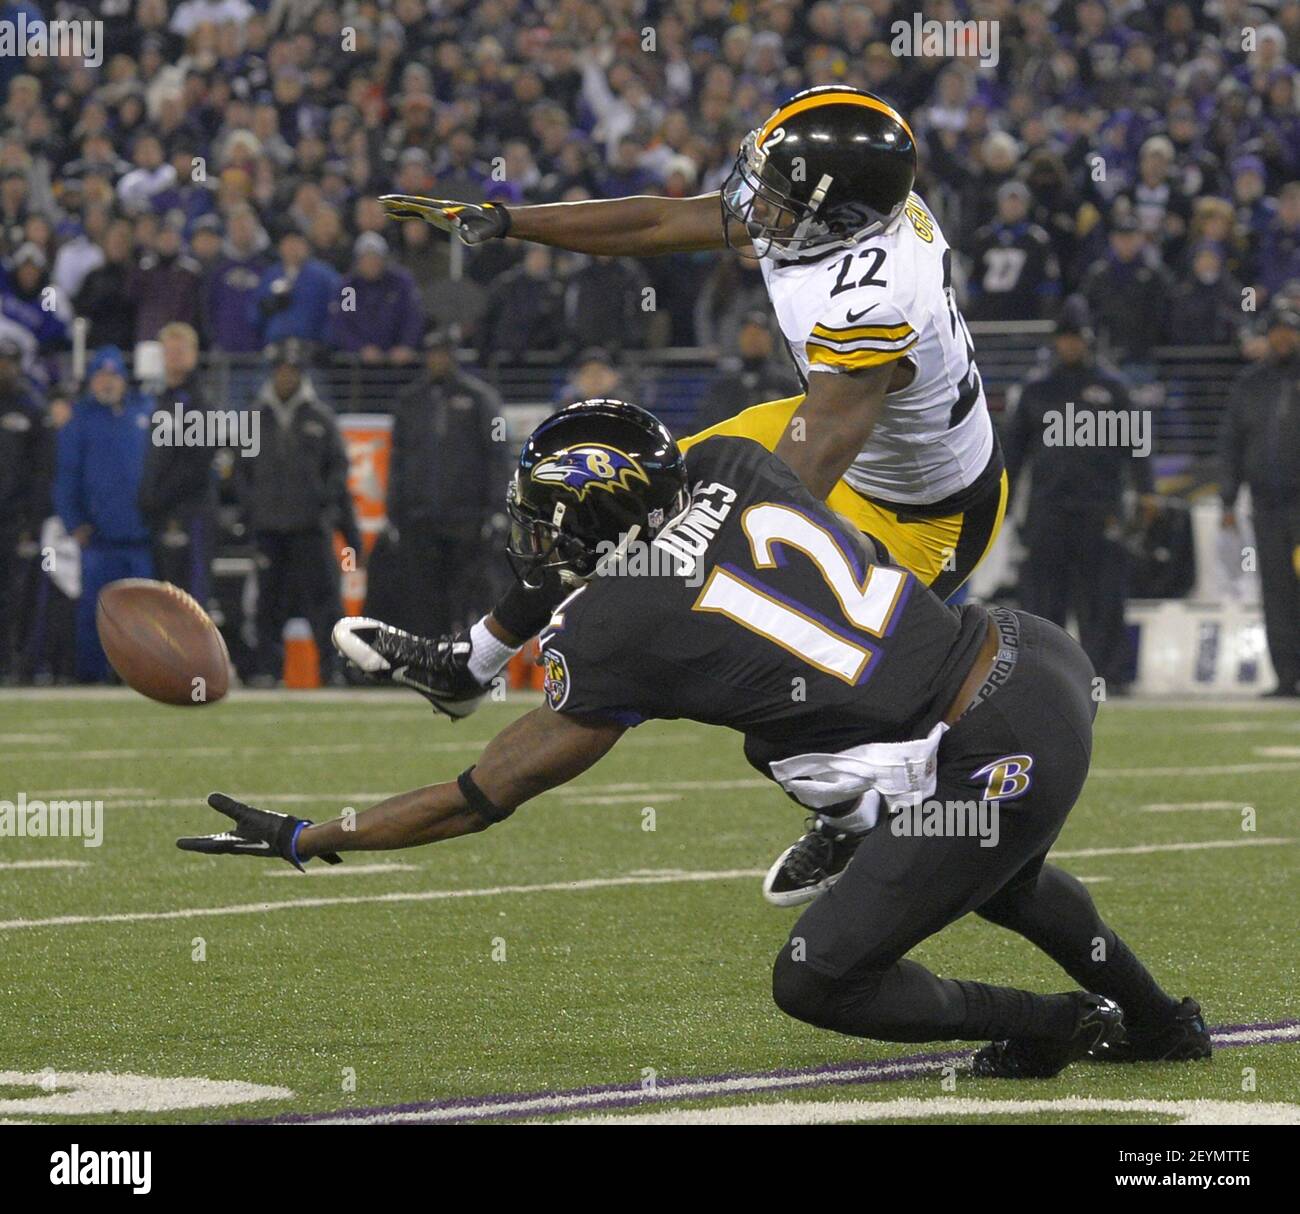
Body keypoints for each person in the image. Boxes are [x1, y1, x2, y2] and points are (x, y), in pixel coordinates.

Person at [179, 399, 1210, 1076]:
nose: (536, 545)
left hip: (984, 754)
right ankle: (1161, 1022)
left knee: (815, 975)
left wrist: (313, 835)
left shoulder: (614, 632)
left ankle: (1050, 1023)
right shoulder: (729, 461)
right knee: (988, 866)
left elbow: (479, 792)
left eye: (547, 524)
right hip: (1032, 659)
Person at [381, 86, 1007, 604]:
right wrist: (511, 221)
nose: (753, 203)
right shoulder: (835, 218)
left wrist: (693, 559)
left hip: (919, 512)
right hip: (843, 438)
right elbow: (657, 221)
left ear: (837, 219)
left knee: (760, 652)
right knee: (622, 494)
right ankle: (476, 659)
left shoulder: (872, 302)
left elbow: (804, 473)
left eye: (777, 195)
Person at [1004, 311, 1156, 693]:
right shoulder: (1036, 391)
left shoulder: (1114, 389)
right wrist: (1001, 503)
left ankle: (1107, 676)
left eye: (1077, 337)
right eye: (1065, 337)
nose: (1071, 344)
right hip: (1048, 508)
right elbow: (1013, 454)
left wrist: (1146, 490)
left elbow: (1138, 446)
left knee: (1103, 596)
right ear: (1056, 341)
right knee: (1043, 599)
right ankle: (1044, 678)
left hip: (1100, 509)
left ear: (1088, 341)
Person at [236, 339, 359, 686]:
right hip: (269, 528)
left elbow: (338, 468)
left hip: (310, 527)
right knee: (267, 603)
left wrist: (321, 502)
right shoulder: (255, 417)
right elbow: (241, 472)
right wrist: (254, 508)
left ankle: (332, 669)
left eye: (292, 371)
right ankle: (267, 670)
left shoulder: (321, 417)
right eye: (281, 370)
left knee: (325, 603)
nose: (286, 377)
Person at [379, 328, 503, 636]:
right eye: (433, 353)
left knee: (471, 592)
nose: (438, 360)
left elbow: (496, 457)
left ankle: (476, 661)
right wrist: (394, 509)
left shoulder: (479, 398)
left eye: (444, 353)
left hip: (467, 516)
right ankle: (431, 661)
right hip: (420, 516)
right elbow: (397, 460)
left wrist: (497, 509)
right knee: (423, 595)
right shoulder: (410, 400)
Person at [53, 346, 154, 683]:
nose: (107, 382)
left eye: (113, 376)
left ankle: (139, 674)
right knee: (96, 613)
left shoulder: (145, 414)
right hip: (99, 537)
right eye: (101, 376)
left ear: (124, 380)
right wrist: (75, 523)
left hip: (139, 536)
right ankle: (90, 675)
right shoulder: (79, 421)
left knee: (141, 613)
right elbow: (65, 476)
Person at [1219, 298, 1300, 697]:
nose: (1284, 337)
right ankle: (1286, 677)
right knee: (1277, 592)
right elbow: (1231, 443)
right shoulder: (1250, 384)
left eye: (1290, 330)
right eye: (1277, 330)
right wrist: (1228, 499)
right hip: (1266, 506)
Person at [137, 322, 219, 603]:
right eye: (168, 350)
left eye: (181, 350)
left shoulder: (201, 401)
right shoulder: (158, 399)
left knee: (190, 598)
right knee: (163, 596)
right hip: (161, 512)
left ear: (194, 354)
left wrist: (157, 496)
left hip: (190, 511)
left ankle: (196, 650)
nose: (174, 356)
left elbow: (197, 462)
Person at [0, 335, 51, 681]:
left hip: (15, 519)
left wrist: (32, 522)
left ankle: (12, 664)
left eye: (9, 362)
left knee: (15, 595)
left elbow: (43, 472)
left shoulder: (31, 408)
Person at [693, 310, 802, 431]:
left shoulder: (786, 383)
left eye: (758, 333)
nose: (753, 339)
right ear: (740, 338)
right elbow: (706, 425)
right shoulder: (725, 386)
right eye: (748, 333)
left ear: (769, 339)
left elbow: (800, 426)